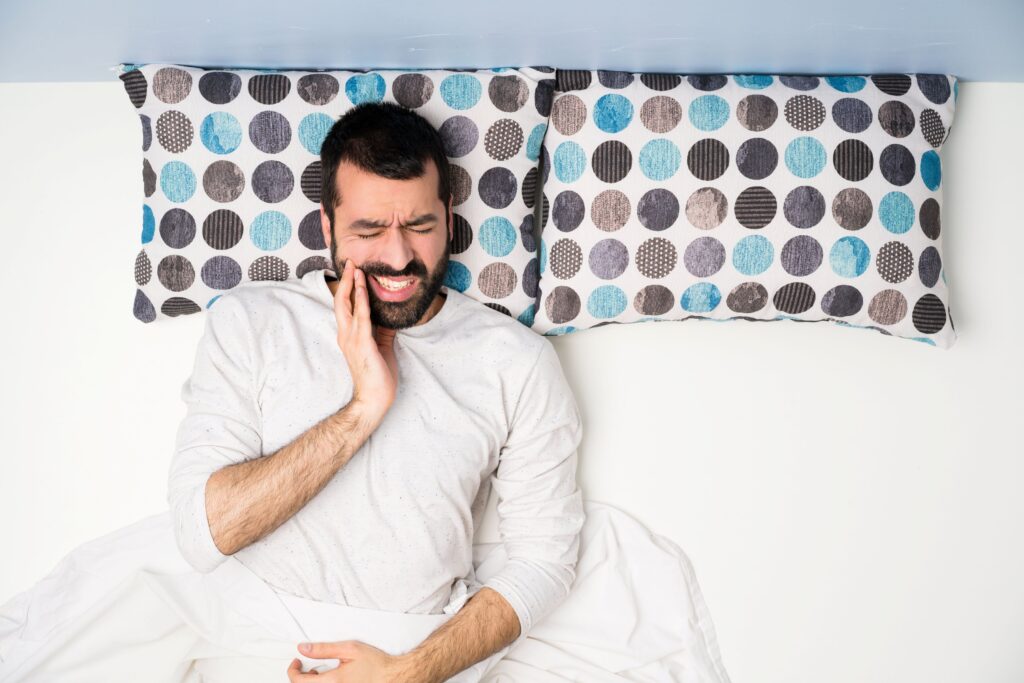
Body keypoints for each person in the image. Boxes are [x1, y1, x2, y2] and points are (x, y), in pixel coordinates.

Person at [167, 101, 586, 682]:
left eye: (420, 227)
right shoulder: (251, 322)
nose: (397, 257)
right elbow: (203, 535)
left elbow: (546, 561)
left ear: (449, 217)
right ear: (327, 226)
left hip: (416, 653)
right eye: (368, 231)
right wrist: (364, 408)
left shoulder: (517, 362)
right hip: (251, 639)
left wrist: (405, 674)